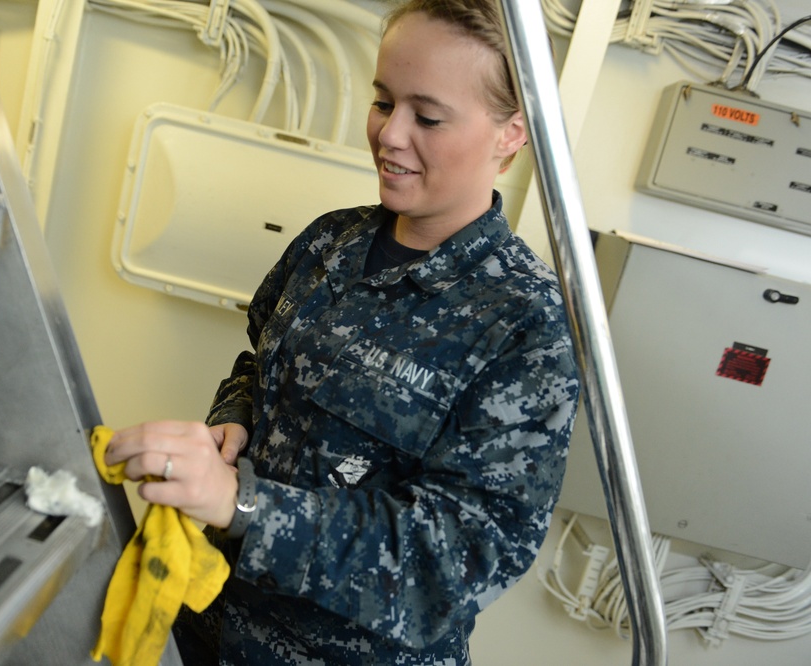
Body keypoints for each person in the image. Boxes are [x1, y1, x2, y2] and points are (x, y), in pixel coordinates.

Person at [103, 0, 580, 663]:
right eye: (384, 102)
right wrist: (232, 420)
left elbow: (456, 561)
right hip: (214, 630)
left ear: (512, 132)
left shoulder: (526, 326)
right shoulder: (331, 242)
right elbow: (258, 364)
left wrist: (245, 506)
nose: (390, 134)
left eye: (428, 116)